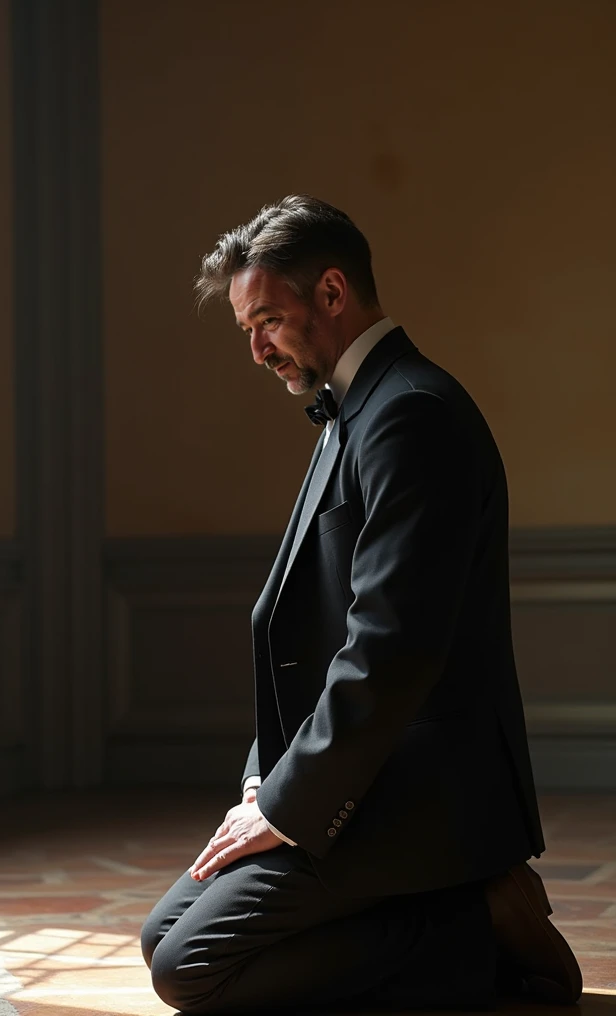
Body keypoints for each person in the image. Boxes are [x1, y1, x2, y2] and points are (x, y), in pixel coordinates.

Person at [140, 195, 581, 1013]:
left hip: (416, 794)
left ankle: (482, 918)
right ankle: (445, 915)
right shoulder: (353, 410)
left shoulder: (411, 413)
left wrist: (287, 806)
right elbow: (312, 631)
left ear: (333, 293)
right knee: (159, 940)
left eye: (266, 319)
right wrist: (260, 784)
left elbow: (391, 648)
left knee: (189, 968)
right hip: (358, 774)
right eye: (245, 328)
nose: (256, 348)